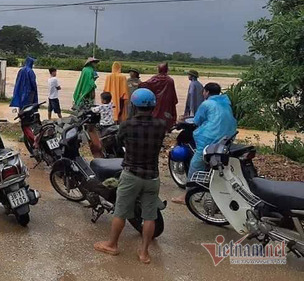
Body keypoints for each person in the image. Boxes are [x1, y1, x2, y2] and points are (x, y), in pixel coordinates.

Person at [94, 88, 166, 264]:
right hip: (153, 177)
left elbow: (118, 141)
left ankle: (112, 245)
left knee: (121, 211)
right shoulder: (160, 125)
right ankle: (144, 253)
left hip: (131, 174)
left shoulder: (127, 124)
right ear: (152, 106)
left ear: (134, 106)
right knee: (149, 216)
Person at [172, 82, 237, 204]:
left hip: (210, 137)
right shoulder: (226, 102)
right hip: (228, 137)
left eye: (204, 91)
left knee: (196, 164)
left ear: (206, 92)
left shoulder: (206, 103)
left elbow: (196, 121)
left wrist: (181, 121)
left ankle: (188, 195)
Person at [73, 57, 104, 158]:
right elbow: (91, 84)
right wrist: (93, 89)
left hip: (83, 95)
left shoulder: (84, 70)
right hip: (88, 95)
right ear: (91, 63)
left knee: (82, 111)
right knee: (89, 112)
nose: (95, 64)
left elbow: (83, 83)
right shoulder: (90, 70)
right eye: (94, 62)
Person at [139, 63, 178, 131]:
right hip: (167, 101)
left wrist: (137, 83)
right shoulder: (170, 80)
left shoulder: (155, 79)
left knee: (156, 114)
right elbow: (173, 93)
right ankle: (166, 129)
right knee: (165, 115)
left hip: (156, 101)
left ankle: (155, 128)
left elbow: (145, 85)